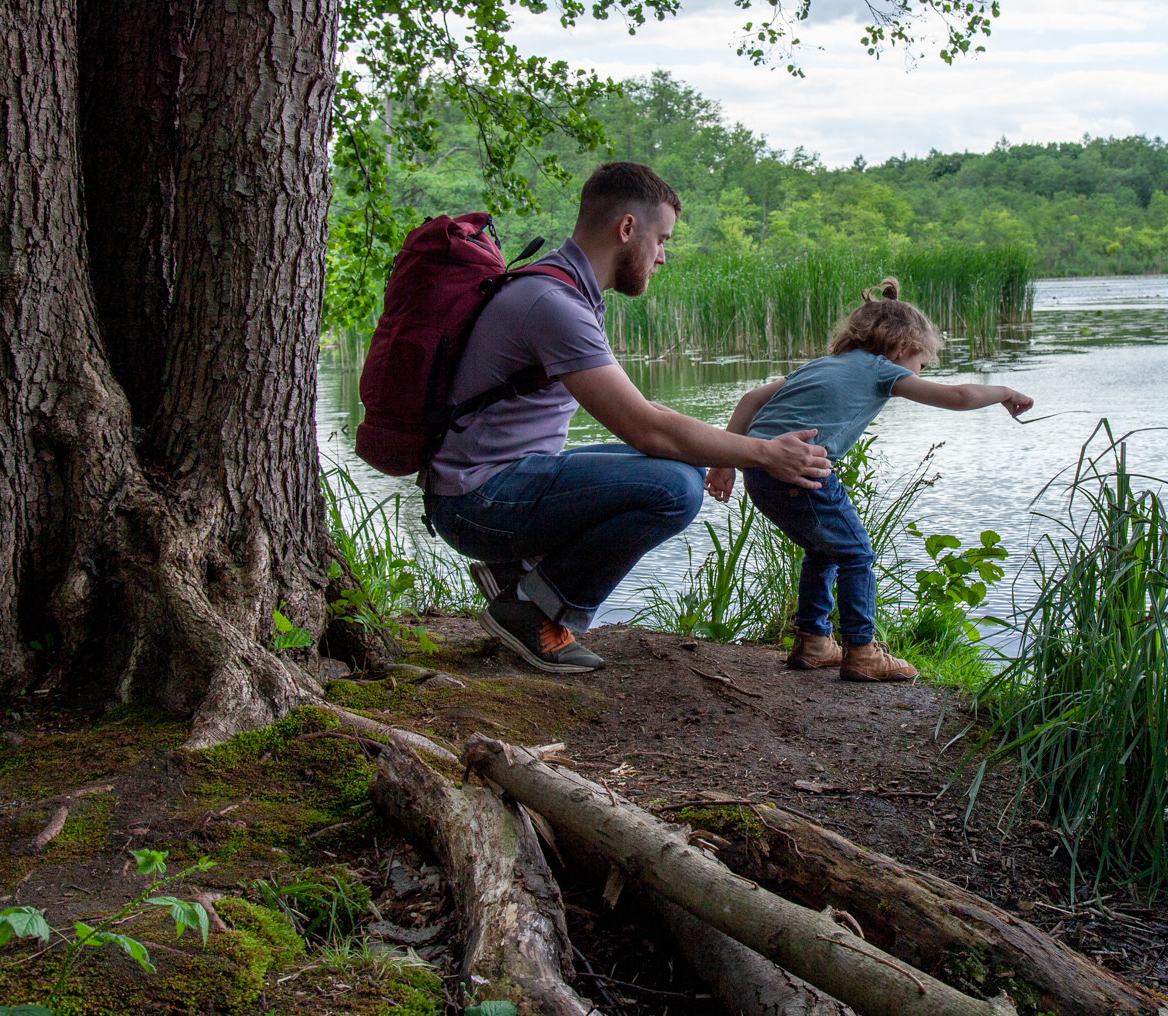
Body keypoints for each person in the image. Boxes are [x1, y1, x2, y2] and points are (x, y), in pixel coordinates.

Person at [424, 162, 832, 675]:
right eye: (661, 239)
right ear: (626, 229)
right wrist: (766, 454)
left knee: (681, 469)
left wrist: (725, 448)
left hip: (490, 487)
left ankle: (517, 578)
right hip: (478, 501)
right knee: (671, 489)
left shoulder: (566, 290)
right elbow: (646, 428)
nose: (662, 256)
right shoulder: (553, 302)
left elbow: (649, 411)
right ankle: (535, 611)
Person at [705, 279, 1034, 683]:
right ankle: (861, 650)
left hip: (760, 471)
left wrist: (724, 463)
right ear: (901, 347)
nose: (922, 371)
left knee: (824, 548)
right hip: (803, 473)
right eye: (923, 363)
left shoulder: (820, 365)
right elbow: (958, 397)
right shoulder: (882, 369)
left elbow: (751, 399)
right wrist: (1005, 391)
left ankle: (813, 642)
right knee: (857, 552)